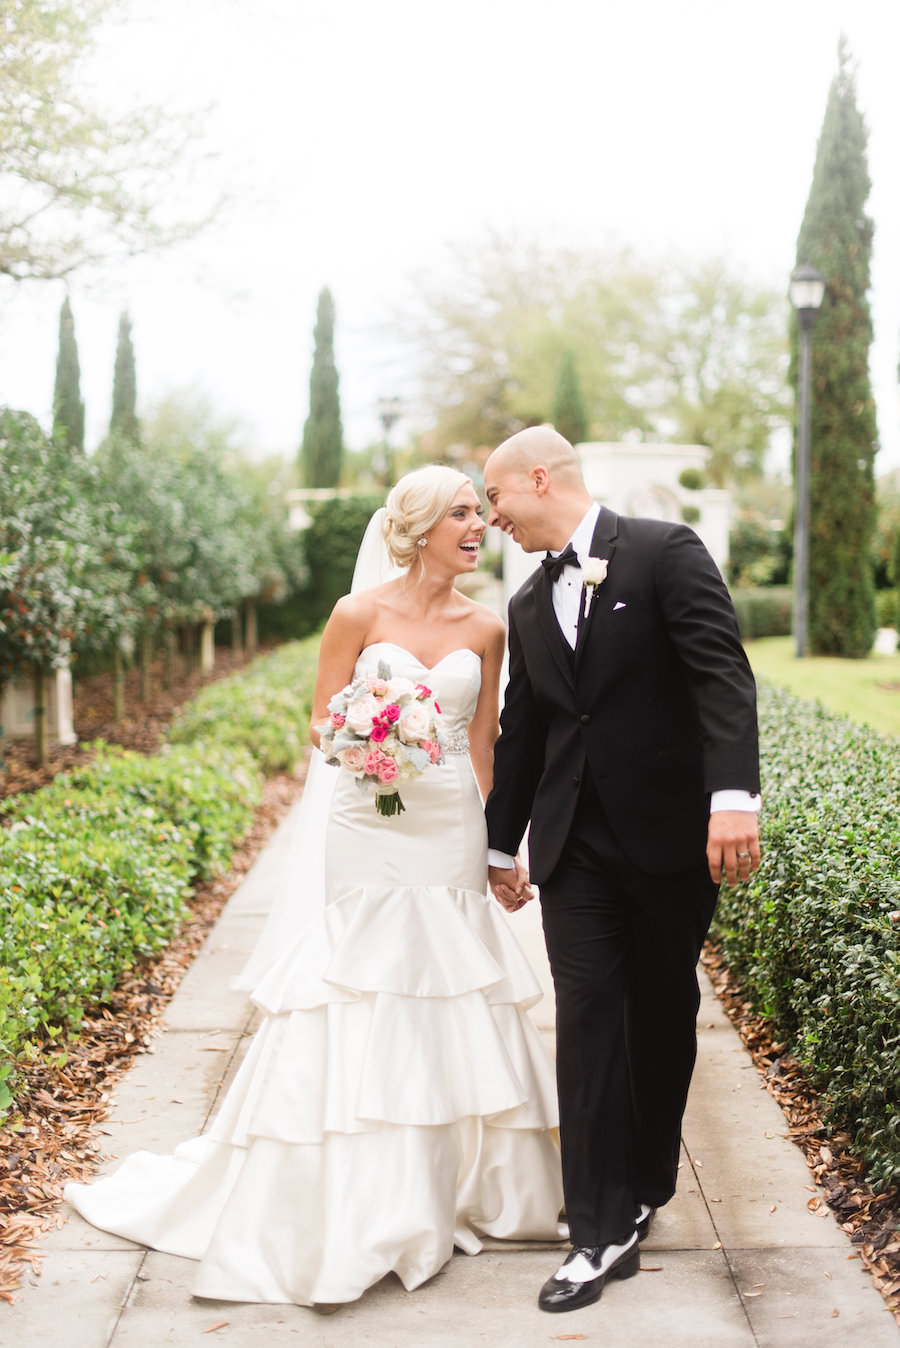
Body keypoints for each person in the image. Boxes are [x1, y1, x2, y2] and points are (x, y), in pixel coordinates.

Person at [65, 465, 564, 1308]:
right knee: (361, 981)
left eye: (481, 511)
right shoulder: (357, 614)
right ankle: (359, 1182)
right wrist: (374, 743)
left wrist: (500, 847)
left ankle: (452, 1183)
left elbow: (487, 747)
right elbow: (322, 725)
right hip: (368, 822)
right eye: (461, 513)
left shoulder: (488, 626)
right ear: (415, 529)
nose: (478, 524)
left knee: (448, 979)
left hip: (445, 825)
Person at [482, 426, 761, 1314]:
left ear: (538, 479)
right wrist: (499, 844)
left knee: (663, 1015)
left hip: (669, 836)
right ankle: (595, 1231)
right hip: (575, 851)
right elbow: (523, 734)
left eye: (495, 500)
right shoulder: (528, 603)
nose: (492, 520)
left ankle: (643, 1186)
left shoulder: (663, 551)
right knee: (589, 1019)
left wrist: (733, 798)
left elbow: (722, 676)